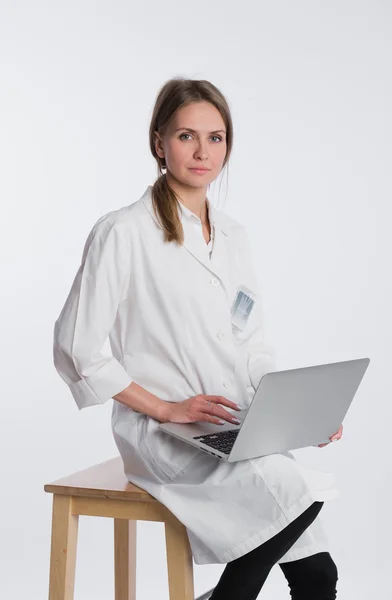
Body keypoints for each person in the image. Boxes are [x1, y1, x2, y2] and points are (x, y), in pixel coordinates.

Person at [53, 77, 343, 599]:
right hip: (162, 436)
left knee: (320, 576)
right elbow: (78, 348)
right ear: (159, 142)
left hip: (234, 427)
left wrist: (296, 415)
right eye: (187, 136)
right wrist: (164, 409)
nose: (202, 151)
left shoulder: (233, 236)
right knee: (297, 493)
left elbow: (251, 344)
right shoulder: (124, 232)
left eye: (216, 137)